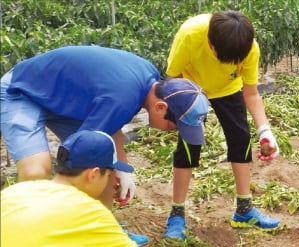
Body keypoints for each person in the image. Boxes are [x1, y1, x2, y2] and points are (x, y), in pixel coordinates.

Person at [0, 45, 210, 245]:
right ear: (161, 107)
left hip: (64, 98)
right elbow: (79, 154)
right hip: (24, 91)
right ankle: (40, 235)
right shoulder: (123, 97)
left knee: (107, 166)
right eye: (173, 126)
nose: (172, 131)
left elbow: (108, 127)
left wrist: (122, 167)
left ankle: (102, 230)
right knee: (37, 170)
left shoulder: (150, 79)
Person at [165, 10, 280, 238]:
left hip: (227, 89)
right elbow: (172, 79)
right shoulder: (190, 35)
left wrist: (265, 130)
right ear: (211, 44)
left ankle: (244, 209)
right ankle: (177, 214)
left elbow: (251, 93)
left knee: (241, 139)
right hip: (191, 88)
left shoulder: (248, 47)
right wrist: (184, 111)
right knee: (189, 147)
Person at [1, 130, 140, 246]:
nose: (108, 183)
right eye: (109, 176)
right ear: (94, 174)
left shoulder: (14, 192)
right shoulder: (90, 213)